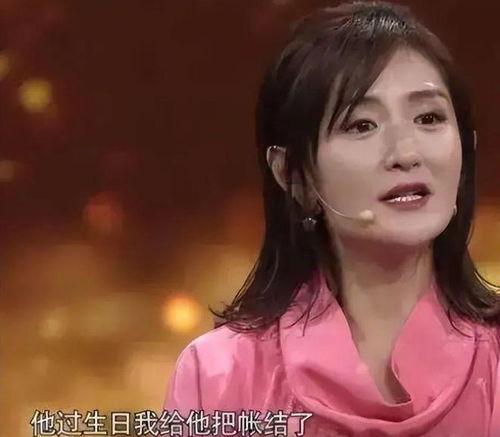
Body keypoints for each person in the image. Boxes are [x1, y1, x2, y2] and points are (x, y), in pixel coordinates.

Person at [163, 1, 500, 435]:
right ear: (294, 175)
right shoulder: (219, 377)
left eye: (429, 117)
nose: (406, 153)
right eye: (361, 125)